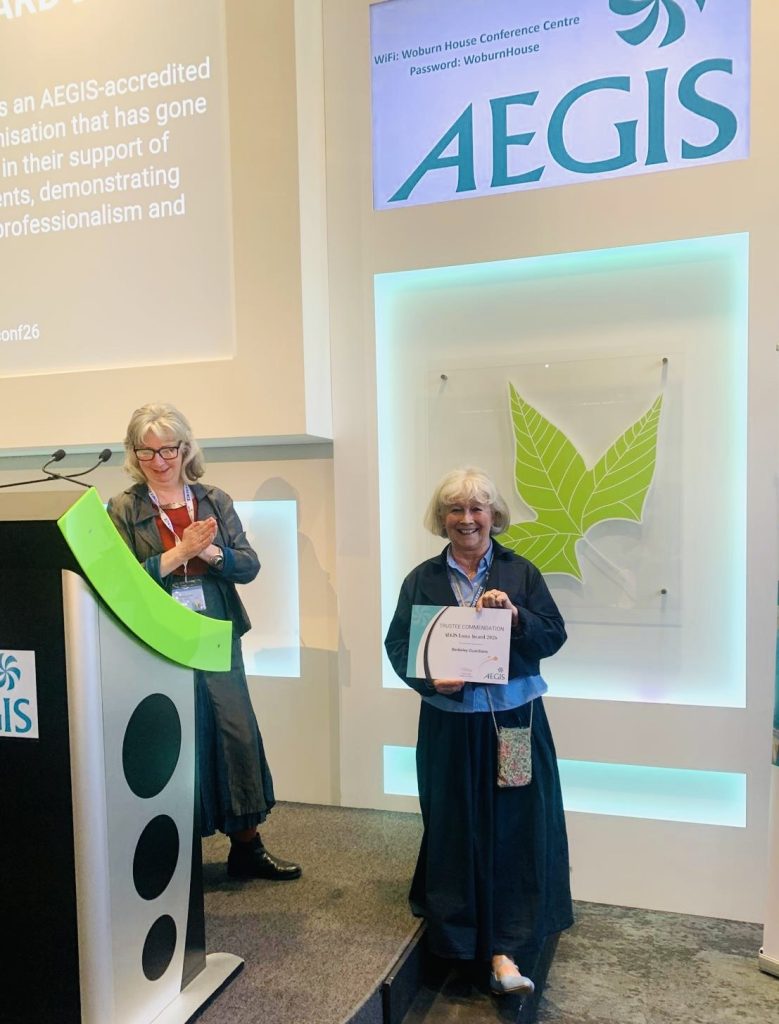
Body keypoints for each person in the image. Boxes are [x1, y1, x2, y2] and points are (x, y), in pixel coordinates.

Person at [384, 467, 572, 995]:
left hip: (514, 722)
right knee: (453, 825)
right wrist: (429, 680)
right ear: (441, 518)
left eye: (476, 509)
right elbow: (398, 645)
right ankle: (458, 939)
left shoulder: (520, 573)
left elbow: (554, 635)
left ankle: (505, 948)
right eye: (455, 509)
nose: (466, 519)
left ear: (493, 515)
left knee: (514, 828)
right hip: (448, 725)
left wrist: (515, 618)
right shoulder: (421, 578)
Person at [107, 402, 301, 881]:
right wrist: (180, 552)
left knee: (235, 732)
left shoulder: (214, 500)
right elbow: (119, 583)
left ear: (186, 448)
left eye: (168, 449)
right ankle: (178, 858)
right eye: (147, 451)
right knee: (172, 740)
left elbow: (248, 565)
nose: (159, 460)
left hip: (214, 628)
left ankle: (247, 848)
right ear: (134, 454)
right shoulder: (124, 508)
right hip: (157, 634)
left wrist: (210, 551)